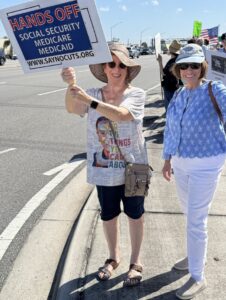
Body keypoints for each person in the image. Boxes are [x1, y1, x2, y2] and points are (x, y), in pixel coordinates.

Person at [61, 43, 149, 287]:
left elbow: (121, 114)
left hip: (136, 166)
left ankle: (135, 261)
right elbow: (72, 108)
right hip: (104, 168)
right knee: (108, 215)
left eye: (122, 65)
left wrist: (89, 100)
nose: (116, 69)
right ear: (104, 67)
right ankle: (113, 257)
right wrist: (70, 85)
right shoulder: (93, 93)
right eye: (111, 64)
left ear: (128, 69)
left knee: (136, 214)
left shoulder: (137, 94)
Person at [162, 43, 226, 299]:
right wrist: (167, 159)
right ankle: (193, 255)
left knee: (196, 220)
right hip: (180, 163)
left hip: (207, 164)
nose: (190, 70)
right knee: (189, 214)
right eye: (185, 65)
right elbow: (170, 130)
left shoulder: (215, 90)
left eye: (195, 65)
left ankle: (198, 276)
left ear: (202, 67)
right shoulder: (178, 94)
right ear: (178, 69)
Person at [157, 40, 182, 111]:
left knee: (169, 109)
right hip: (174, 86)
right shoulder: (177, 59)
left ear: (171, 51)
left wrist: (160, 62)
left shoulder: (173, 61)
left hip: (170, 87)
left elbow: (164, 73)